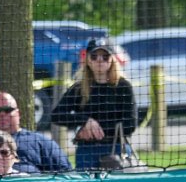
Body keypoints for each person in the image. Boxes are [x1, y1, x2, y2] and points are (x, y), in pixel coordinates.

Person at [51, 38, 137, 170]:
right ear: (88, 60)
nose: (100, 60)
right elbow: (56, 115)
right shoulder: (79, 88)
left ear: (112, 59)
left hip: (116, 149)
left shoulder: (123, 86)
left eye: (105, 56)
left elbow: (130, 124)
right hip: (87, 150)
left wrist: (94, 130)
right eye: (94, 56)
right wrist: (85, 122)